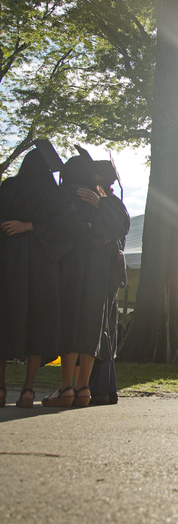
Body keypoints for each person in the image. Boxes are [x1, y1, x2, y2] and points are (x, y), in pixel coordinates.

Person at [0, 141, 87, 407]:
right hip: (43, 265)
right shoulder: (55, 193)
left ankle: (1, 388)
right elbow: (71, 228)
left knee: (3, 320)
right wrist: (34, 227)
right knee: (39, 322)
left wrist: (23, 226)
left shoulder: (8, 187)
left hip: (8, 263)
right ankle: (28, 389)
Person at [42, 147, 130, 407]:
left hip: (76, 267)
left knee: (74, 324)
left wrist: (89, 227)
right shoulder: (106, 202)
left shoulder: (81, 197)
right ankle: (86, 390)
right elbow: (118, 228)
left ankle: (69, 388)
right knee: (94, 325)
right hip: (99, 272)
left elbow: (61, 228)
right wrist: (98, 229)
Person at [87, 159, 130, 405]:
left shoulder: (111, 202)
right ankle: (103, 388)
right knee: (103, 328)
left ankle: (102, 388)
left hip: (106, 274)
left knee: (103, 328)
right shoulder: (108, 201)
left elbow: (120, 227)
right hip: (103, 272)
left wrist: (100, 206)